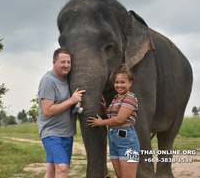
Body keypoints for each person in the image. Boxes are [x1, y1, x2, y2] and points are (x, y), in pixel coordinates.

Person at [38, 47, 86, 178]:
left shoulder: (67, 79)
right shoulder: (49, 81)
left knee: (52, 171)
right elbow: (47, 110)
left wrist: (76, 105)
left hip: (67, 133)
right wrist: (71, 101)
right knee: (63, 168)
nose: (66, 65)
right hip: (52, 132)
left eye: (69, 62)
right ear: (54, 62)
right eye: (62, 62)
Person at [87, 64, 140, 178]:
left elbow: (120, 119)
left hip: (126, 140)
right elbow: (114, 116)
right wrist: (106, 110)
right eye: (116, 82)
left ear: (130, 83)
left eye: (122, 82)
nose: (119, 85)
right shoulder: (117, 97)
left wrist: (101, 122)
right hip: (114, 139)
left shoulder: (130, 97)